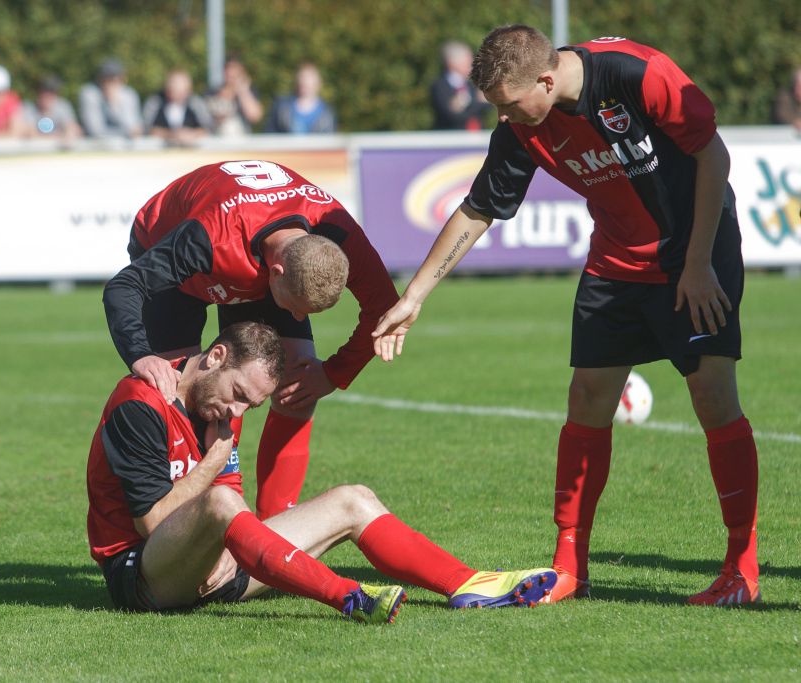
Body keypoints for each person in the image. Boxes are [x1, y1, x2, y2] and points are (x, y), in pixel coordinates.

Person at [372, 25, 760, 607]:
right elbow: (478, 208)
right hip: (615, 264)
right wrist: (415, 296)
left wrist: (700, 263)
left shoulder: (637, 74)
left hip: (694, 254)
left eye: (508, 103)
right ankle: (569, 564)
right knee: (586, 400)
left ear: (547, 80)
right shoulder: (523, 127)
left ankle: (741, 568)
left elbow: (712, 154)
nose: (503, 117)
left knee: (712, 397)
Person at [87, 321, 558, 619]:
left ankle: (467, 583)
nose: (238, 410)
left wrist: (227, 544)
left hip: (210, 570)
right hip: (143, 578)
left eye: (251, 403)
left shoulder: (224, 410)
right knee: (222, 503)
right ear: (215, 357)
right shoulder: (140, 405)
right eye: (237, 394)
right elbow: (151, 522)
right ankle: (346, 596)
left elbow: (231, 493)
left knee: (353, 498)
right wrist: (216, 467)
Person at [103, 160, 398, 521]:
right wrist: (140, 356)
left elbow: (386, 309)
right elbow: (123, 287)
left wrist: (333, 373)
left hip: (256, 256)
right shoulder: (208, 237)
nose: (299, 319)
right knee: (183, 393)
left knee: (298, 381)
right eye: (297, 307)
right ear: (275, 274)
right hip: (171, 247)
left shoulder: (336, 230)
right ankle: (193, 525)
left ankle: (275, 528)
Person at [142, 68, 213, 146]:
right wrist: (171, 134)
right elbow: (146, 128)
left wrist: (192, 134)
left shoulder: (196, 103)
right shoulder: (155, 102)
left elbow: (208, 127)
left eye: (181, 92)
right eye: (173, 90)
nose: (177, 95)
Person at [430, 41, 491, 131]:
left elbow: (488, 105)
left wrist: (467, 104)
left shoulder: (473, 84)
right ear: (452, 63)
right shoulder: (439, 86)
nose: (472, 63)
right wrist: (477, 101)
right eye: (467, 59)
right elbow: (452, 116)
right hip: (451, 140)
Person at [79, 58, 143, 139]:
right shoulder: (90, 94)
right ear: (100, 79)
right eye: (109, 79)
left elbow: (134, 128)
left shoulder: (129, 94)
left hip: (126, 148)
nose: (113, 83)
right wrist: (111, 105)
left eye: (117, 79)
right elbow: (95, 131)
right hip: (96, 148)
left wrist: (116, 106)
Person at [267, 63, 335, 134]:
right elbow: (270, 135)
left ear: (318, 83)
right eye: (302, 77)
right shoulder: (281, 107)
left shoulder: (327, 112)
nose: (304, 81)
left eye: (308, 78)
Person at [206, 56, 264, 137]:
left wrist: (243, 91)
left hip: (242, 142)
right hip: (217, 141)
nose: (231, 73)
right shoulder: (213, 92)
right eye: (228, 69)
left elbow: (255, 116)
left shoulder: (248, 92)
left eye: (235, 69)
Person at [24, 75, 82, 141]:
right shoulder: (29, 108)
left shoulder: (63, 106)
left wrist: (68, 134)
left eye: (51, 93)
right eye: (43, 92)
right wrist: (58, 136)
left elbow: (72, 128)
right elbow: (29, 133)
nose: (46, 96)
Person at [771, 66, 801, 133]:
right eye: (798, 85)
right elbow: (782, 115)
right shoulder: (784, 97)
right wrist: (795, 122)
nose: (799, 89)